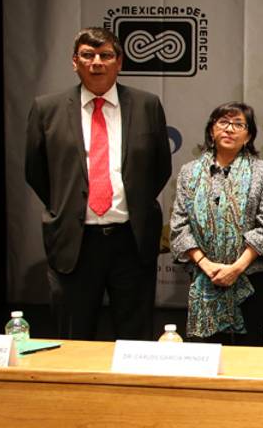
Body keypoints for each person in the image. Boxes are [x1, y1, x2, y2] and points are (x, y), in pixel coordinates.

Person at [25, 26, 172, 340]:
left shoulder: (147, 105)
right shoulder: (47, 109)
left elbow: (160, 168)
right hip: (74, 241)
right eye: (87, 55)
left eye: (106, 55)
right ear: (74, 62)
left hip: (131, 241)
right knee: (74, 337)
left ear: (119, 62)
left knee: (135, 337)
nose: (97, 62)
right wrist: (66, 205)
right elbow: (35, 171)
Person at [169, 103, 263, 345]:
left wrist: (235, 268)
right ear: (211, 131)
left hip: (251, 276)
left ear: (248, 135)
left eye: (238, 124)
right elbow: (179, 225)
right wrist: (207, 265)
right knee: (205, 352)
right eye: (223, 122)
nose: (230, 129)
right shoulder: (189, 173)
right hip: (205, 275)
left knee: (249, 349)